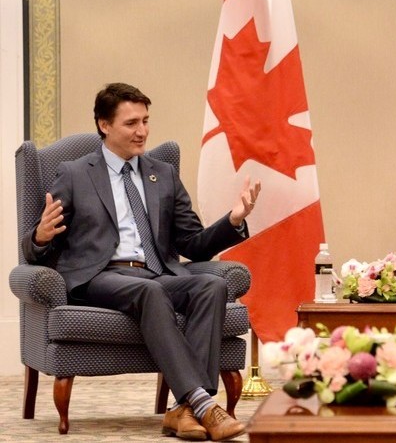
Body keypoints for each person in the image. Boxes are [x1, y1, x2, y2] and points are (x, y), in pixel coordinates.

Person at [22, 83, 261, 442]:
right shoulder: (74, 173)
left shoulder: (162, 174)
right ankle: (204, 403)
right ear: (104, 125)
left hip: (154, 273)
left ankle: (183, 410)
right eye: (132, 123)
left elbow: (192, 245)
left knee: (212, 284)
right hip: (100, 276)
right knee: (149, 291)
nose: (142, 131)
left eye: (146, 121)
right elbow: (34, 245)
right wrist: (39, 236)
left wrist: (232, 221)